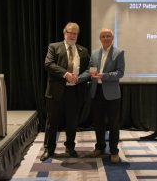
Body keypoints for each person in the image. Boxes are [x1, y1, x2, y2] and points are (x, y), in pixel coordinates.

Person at [40, 22, 90, 161]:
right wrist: (66, 74)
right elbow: (48, 64)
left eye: (75, 33)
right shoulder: (54, 47)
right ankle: (49, 149)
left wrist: (79, 79)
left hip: (75, 92)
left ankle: (70, 147)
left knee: (72, 122)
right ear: (64, 33)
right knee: (52, 122)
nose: (72, 35)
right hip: (56, 92)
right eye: (70, 32)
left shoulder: (83, 50)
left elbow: (88, 69)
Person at [87, 28, 125, 163]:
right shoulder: (94, 53)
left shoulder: (119, 53)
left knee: (113, 124)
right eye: (103, 36)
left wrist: (105, 76)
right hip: (96, 92)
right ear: (100, 38)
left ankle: (114, 151)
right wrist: (90, 74)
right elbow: (91, 70)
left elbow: (120, 73)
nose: (106, 38)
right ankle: (100, 147)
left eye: (108, 36)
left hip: (112, 95)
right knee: (98, 122)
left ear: (112, 38)